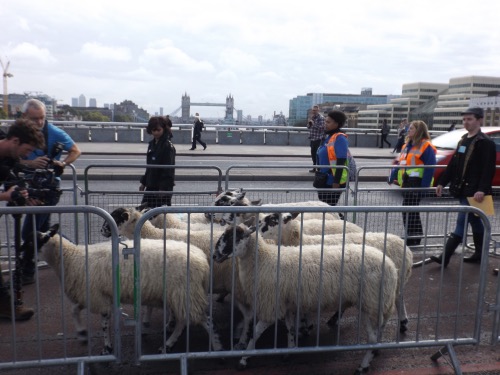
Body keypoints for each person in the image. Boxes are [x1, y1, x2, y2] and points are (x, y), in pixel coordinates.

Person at [19, 99, 81, 284]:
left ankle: (27, 270)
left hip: (48, 189)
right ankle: (77, 257)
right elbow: (10, 157)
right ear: (24, 117)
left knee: (29, 231)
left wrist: (62, 163)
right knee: (45, 230)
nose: (39, 123)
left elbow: (76, 150)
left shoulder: (53, 132)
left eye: (42, 118)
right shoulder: (18, 133)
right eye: (34, 119)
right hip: (29, 186)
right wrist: (29, 163)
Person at [430, 107, 496, 268]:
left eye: (470, 119)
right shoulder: (463, 140)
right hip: (463, 188)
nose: (466, 122)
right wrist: (441, 182)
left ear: (479, 120)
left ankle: (445, 256)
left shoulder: (485, 142)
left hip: (475, 191)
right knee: (474, 220)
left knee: (462, 220)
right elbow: (453, 165)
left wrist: (482, 189)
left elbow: (488, 168)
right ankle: (480, 253)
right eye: (464, 119)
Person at [0, 119, 45, 320]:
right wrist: (6, 196)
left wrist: (24, 194)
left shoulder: (8, 160)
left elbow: (12, 183)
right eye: (27, 150)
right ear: (15, 140)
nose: (27, 155)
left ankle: (6, 307)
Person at [389, 121, 436, 246]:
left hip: (417, 182)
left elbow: (430, 168)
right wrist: (392, 176)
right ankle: (414, 235)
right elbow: (400, 163)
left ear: (419, 131)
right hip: (406, 181)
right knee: (410, 210)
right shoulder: (406, 145)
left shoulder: (426, 146)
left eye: (411, 129)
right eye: (409, 128)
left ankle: (413, 237)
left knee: (409, 209)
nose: (408, 130)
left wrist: (424, 188)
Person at [315, 110, 352, 215]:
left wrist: (336, 183)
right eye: (325, 121)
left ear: (336, 124)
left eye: (328, 122)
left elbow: (341, 161)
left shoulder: (340, 138)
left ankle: (343, 226)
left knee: (328, 211)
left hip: (332, 181)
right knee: (325, 210)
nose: (325, 124)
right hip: (323, 179)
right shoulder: (328, 137)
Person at [139, 116, 176, 208]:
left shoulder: (167, 146)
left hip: (162, 188)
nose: (155, 132)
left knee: (158, 217)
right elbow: (149, 167)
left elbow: (169, 170)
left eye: (158, 130)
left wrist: (163, 188)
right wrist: (143, 183)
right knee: (144, 212)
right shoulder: (152, 144)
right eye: (153, 130)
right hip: (151, 185)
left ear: (164, 129)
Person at [307, 105, 325, 173]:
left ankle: (319, 168)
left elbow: (322, 128)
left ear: (318, 110)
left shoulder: (321, 118)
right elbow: (308, 127)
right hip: (312, 138)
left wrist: (313, 124)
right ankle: (314, 167)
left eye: (315, 110)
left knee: (318, 154)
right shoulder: (312, 117)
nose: (314, 111)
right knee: (313, 153)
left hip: (318, 138)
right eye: (313, 110)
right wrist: (309, 124)